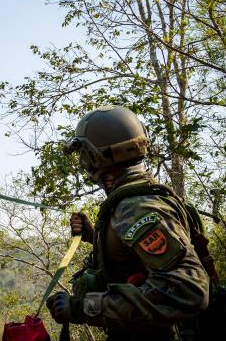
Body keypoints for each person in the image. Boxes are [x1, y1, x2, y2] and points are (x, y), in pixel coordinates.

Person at [46, 106, 210, 341]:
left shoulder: (135, 208)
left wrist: (83, 307)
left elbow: (188, 290)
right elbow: (137, 261)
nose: (82, 162)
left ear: (95, 155)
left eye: (83, 152)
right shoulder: (139, 199)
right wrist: (96, 237)